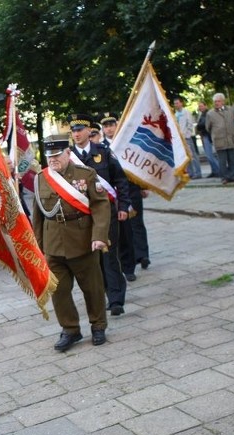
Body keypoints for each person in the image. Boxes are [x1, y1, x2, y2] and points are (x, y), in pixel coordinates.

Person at [32, 139, 111, 351]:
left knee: (92, 288)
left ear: (67, 153)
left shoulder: (85, 174)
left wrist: (99, 236)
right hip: (53, 245)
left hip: (82, 240)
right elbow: (38, 215)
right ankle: (70, 329)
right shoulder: (41, 179)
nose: (53, 160)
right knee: (59, 291)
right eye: (50, 157)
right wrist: (38, 246)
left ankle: (98, 325)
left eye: (57, 155)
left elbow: (101, 206)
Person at [68, 113, 130, 316]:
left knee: (109, 254)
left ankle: (116, 299)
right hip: (82, 217)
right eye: (73, 131)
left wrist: (123, 206)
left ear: (88, 131)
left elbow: (120, 179)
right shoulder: (68, 158)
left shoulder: (103, 152)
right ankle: (103, 292)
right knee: (93, 258)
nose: (76, 134)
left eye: (80, 130)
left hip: (107, 213)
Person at [101, 111, 152, 277]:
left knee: (137, 222)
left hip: (132, 188)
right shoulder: (101, 148)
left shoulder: (128, 143)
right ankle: (129, 262)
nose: (109, 129)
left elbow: (139, 165)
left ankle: (143, 255)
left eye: (111, 125)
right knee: (124, 229)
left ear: (117, 125)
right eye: (106, 126)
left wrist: (143, 186)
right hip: (115, 193)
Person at [206, 93, 234, 185]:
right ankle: (224, 177)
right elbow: (208, 127)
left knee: (232, 158)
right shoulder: (210, 113)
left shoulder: (230, 110)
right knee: (222, 160)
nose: (216, 103)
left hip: (230, 137)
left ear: (223, 101)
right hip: (219, 140)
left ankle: (233, 176)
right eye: (215, 101)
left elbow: (233, 120)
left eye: (218, 101)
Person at [173, 97, 203, 179]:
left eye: (177, 103)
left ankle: (198, 172)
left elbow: (190, 124)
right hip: (181, 139)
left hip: (187, 137)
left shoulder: (186, 112)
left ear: (181, 103)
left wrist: (187, 135)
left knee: (192, 155)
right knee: (186, 157)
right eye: (175, 103)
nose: (176, 105)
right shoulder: (176, 115)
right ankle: (191, 173)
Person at [196, 101, 221, 178]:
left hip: (208, 136)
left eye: (202, 106)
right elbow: (198, 126)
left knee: (210, 155)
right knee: (208, 155)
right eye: (199, 106)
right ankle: (214, 170)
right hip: (204, 135)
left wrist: (199, 126)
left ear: (205, 106)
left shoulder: (208, 114)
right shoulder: (201, 115)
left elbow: (204, 124)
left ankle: (219, 170)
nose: (200, 108)